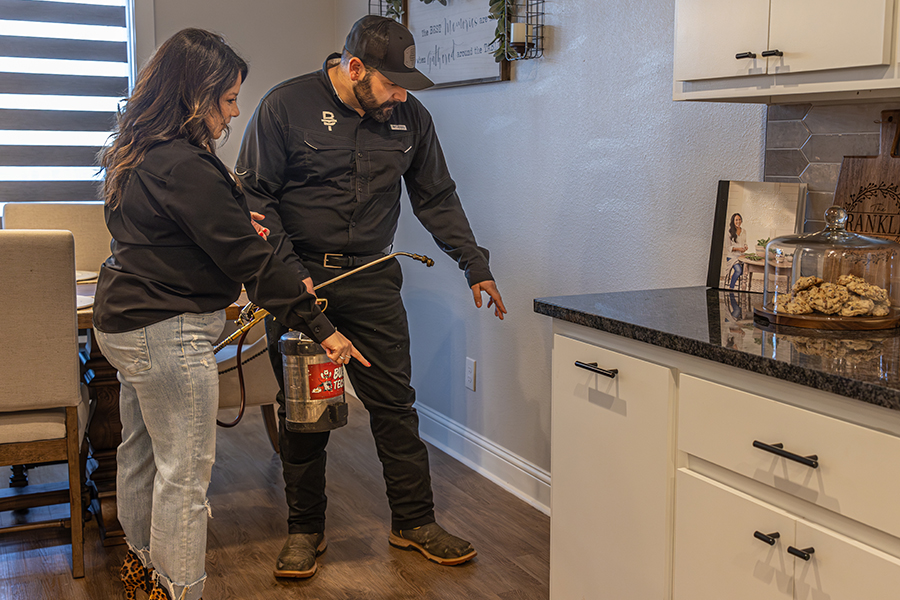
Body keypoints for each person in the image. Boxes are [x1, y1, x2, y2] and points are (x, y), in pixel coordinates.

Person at [92, 28, 366, 600]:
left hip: (123, 325)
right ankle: (177, 592)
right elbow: (255, 265)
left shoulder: (140, 150)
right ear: (196, 95)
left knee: (141, 456)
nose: (234, 114)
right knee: (184, 477)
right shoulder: (187, 164)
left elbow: (169, 234)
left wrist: (238, 221)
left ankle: (142, 576)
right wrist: (324, 329)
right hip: (166, 331)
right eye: (229, 99)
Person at [235, 15, 507, 578]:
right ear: (354, 67)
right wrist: (287, 276)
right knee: (306, 414)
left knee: (395, 405)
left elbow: (437, 196)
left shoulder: (409, 116)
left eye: (406, 84)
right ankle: (306, 530)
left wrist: (473, 264)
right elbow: (256, 200)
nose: (400, 96)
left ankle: (414, 521)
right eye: (391, 83)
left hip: (375, 278)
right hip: (304, 286)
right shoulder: (284, 107)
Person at [723, 212, 748, 289]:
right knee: (738, 271)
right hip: (732, 257)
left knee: (746, 270)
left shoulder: (744, 231)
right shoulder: (729, 232)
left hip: (741, 256)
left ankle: (733, 276)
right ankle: (731, 287)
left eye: (739, 219)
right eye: (736, 220)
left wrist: (745, 247)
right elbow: (728, 247)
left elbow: (744, 243)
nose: (738, 221)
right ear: (733, 221)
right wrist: (738, 249)